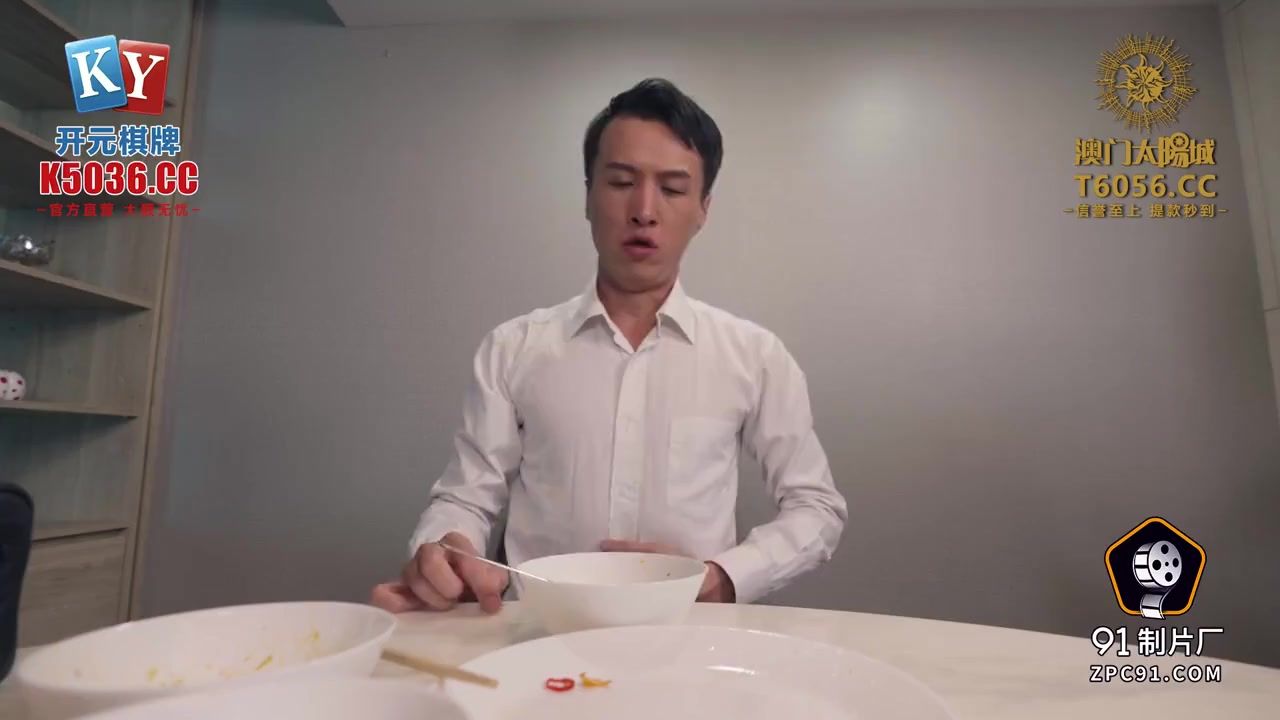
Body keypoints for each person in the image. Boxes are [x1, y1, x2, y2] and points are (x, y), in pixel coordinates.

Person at [371, 78, 846, 614]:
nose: (644, 210)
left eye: (672, 189)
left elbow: (816, 506)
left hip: (691, 635)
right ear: (589, 195)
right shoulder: (513, 349)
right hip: (540, 632)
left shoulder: (755, 357)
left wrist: (721, 578)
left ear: (703, 209)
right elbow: (465, 498)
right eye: (621, 182)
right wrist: (448, 551)